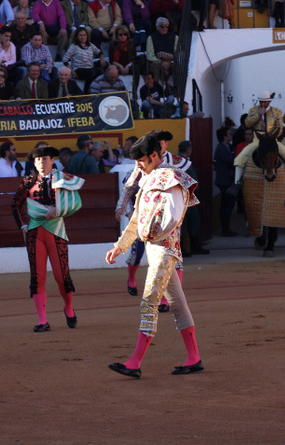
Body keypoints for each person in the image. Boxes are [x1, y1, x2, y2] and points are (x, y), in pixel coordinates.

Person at [105, 133, 203, 379]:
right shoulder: (147, 180)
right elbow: (137, 218)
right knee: (178, 304)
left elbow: (176, 215)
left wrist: (153, 233)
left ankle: (135, 362)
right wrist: (121, 246)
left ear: (155, 156)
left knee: (149, 300)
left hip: (165, 249)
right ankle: (194, 358)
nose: (138, 165)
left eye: (142, 161)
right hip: (156, 248)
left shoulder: (172, 177)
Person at [11, 145, 84, 332]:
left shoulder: (63, 179)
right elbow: (15, 204)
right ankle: (42, 320)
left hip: (57, 230)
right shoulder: (28, 181)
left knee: (62, 276)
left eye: (44, 159)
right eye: (37, 160)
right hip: (35, 232)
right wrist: (23, 225)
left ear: (52, 160)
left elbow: (75, 203)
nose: (41, 163)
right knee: (38, 276)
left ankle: (68, 308)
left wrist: (58, 210)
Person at [233, 91, 285, 185]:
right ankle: (236, 184)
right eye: (261, 101)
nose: (263, 103)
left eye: (265, 102)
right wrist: (258, 115)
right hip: (257, 140)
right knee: (239, 160)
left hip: (272, 140)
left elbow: (280, 129)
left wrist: (271, 137)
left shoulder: (276, 112)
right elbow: (247, 124)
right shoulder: (253, 111)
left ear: (269, 101)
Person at [178, 139, 209, 256]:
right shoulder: (182, 163)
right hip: (184, 198)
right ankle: (182, 248)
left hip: (188, 197)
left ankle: (194, 246)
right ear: (188, 149)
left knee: (193, 221)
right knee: (184, 223)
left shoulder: (180, 161)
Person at [62, 27, 106, 94]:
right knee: (91, 73)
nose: (83, 37)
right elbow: (65, 59)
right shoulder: (74, 46)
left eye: (84, 35)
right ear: (77, 36)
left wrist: (102, 58)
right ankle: (86, 92)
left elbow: (99, 52)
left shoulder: (90, 45)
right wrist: (72, 71)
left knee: (102, 70)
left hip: (90, 67)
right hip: (79, 69)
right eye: (81, 35)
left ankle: (100, 90)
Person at [214, 125, 237, 237]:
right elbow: (230, 162)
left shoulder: (227, 147)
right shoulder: (221, 148)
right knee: (227, 205)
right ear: (224, 136)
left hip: (225, 180)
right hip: (224, 180)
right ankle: (225, 228)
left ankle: (226, 227)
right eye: (229, 134)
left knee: (227, 204)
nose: (230, 136)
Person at [145, 16, 176, 80]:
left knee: (178, 66)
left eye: (167, 26)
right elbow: (149, 55)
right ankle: (155, 87)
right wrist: (161, 62)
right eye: (162, 26)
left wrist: (169, 61)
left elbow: (177, 53)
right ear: (157, 27)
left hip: (171, 62)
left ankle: (177, 88)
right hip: (158, 62)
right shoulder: (151, 37)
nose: (165, 28)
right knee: (154, 65)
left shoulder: (175, 37)